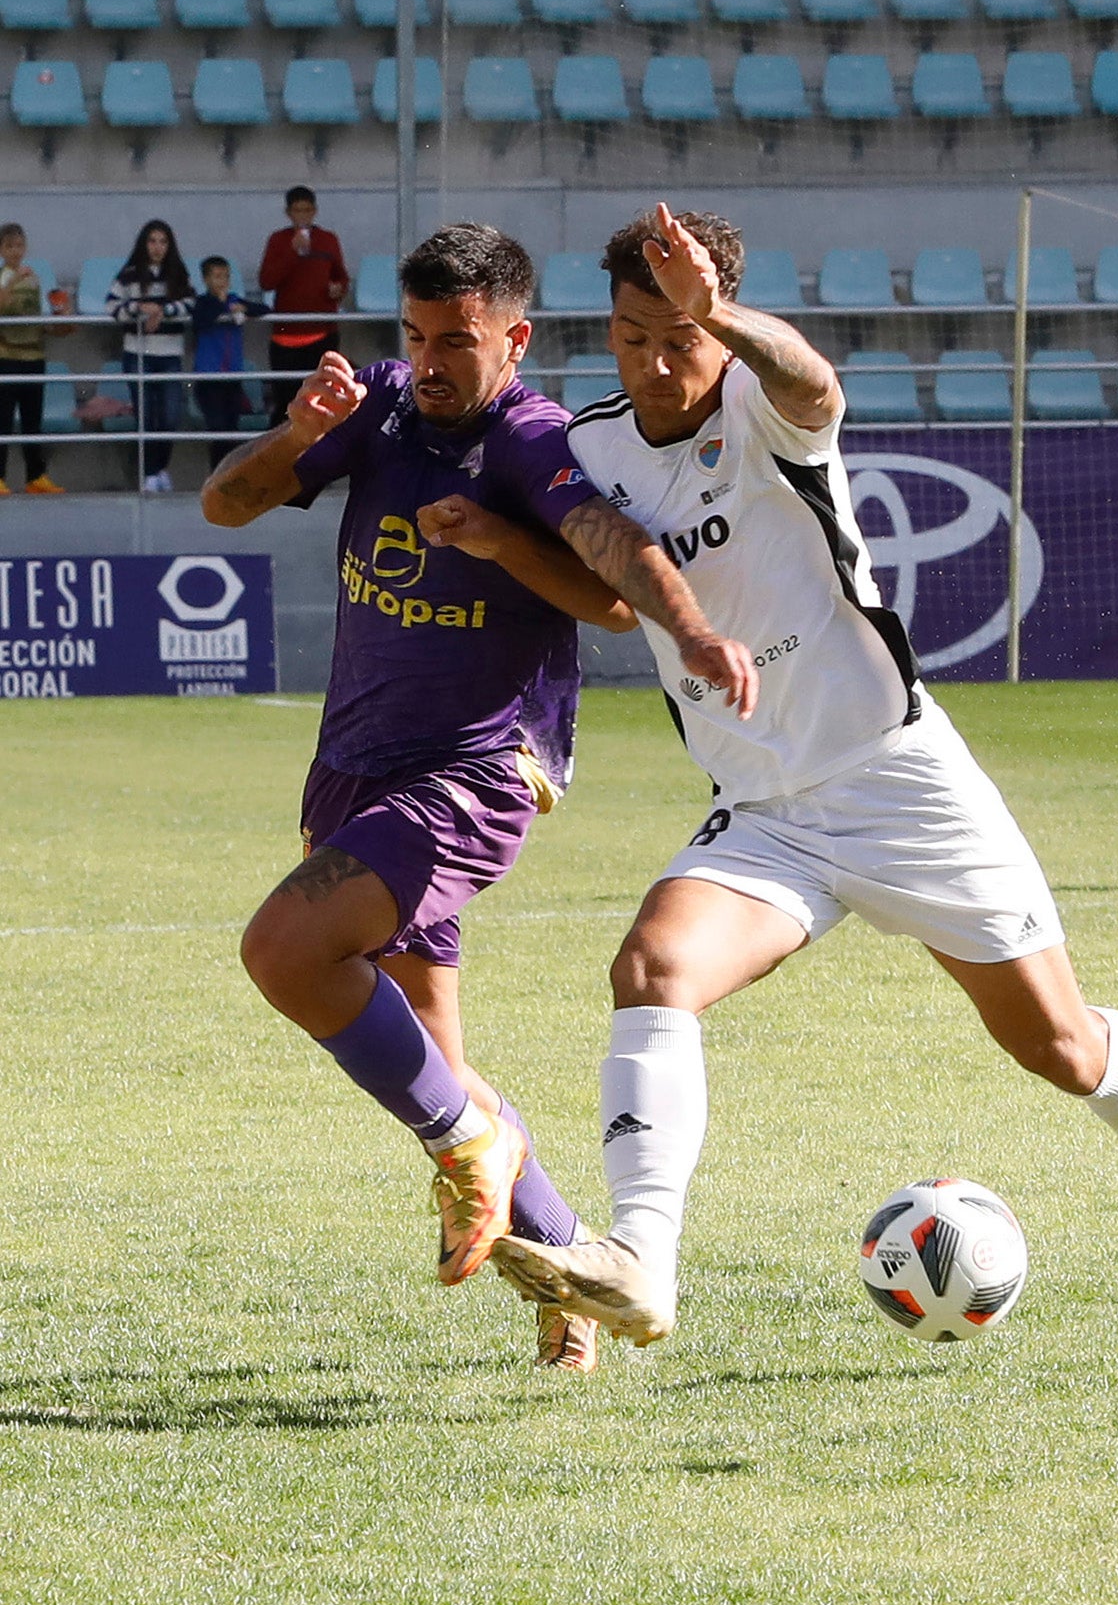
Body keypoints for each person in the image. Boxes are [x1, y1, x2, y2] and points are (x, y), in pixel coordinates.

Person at [473, 203, 1118, 1349]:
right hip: (765, 817)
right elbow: (607, 590)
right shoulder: (590, 449)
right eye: (634, 335)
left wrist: (720, 319)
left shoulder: (762, 405)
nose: (656, 360)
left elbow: (814, 381)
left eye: (679, 334)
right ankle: (642, 1256)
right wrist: (497, 545)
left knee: (1059, 1046)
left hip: (899, 781)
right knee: (650, 965)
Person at [201, 221, 755, 1372]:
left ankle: (471, 1151)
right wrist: (299, 431)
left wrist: (678, 620)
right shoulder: (385, 406)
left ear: (516, 336)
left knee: (286, 950)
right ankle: (572, 1279)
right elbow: (228, 504)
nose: (433, 359)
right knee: (436, 1071)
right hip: (354, 768)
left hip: (478, 768)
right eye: (416, 334)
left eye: (457, 339)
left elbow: (609, 577)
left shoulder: (534, 438)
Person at [106, 219, 195, 494]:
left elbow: (191, 306)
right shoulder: (129, 274)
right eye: (152, 241)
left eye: (163, 242)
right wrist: (138, 308)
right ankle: (150, 474)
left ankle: (158, 469)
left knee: (169, 416)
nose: (157, 247)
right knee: (146, 417)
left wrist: (162, 311)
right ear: (144, 244)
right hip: (138, 353)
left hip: (170, 354)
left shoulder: (178, 274)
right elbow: (112, 306)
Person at [258, 186, 349, 425]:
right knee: (286, 403)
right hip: (285, 337)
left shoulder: (328, 240)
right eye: (297, 211)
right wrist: (292, 252)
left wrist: (338, 288)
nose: (303, 216)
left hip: (322, 334)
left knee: (322, 400)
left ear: (315, 211)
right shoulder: (278, 241)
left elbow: (341, 277)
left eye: (307, 210)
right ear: (288, 213)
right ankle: (282, 456)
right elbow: (266, 281)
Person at [0, 221, 72, 495]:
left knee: (33, 422)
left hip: (34, 356)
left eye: (19, 245)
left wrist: (60, 318)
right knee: (2, 421)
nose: (16, 251)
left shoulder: (34, 279)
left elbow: (35, 317)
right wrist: (13, 279)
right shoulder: (5, 277)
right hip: (6, 357)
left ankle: (36, 476)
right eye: (9, 246)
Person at [191, 256, 270, 470]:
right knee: (218, 427)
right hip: (209, 379)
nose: (223, 281)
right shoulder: (203, 302)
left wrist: (241, 309)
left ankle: (229, 474)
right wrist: (224, 307)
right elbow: (200, 320)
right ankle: (217, 474)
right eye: (217, 276)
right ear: (206, 279)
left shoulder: (235, 300)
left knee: (232, 428)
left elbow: (262, 309)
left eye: (226, 276)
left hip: (232, 378)